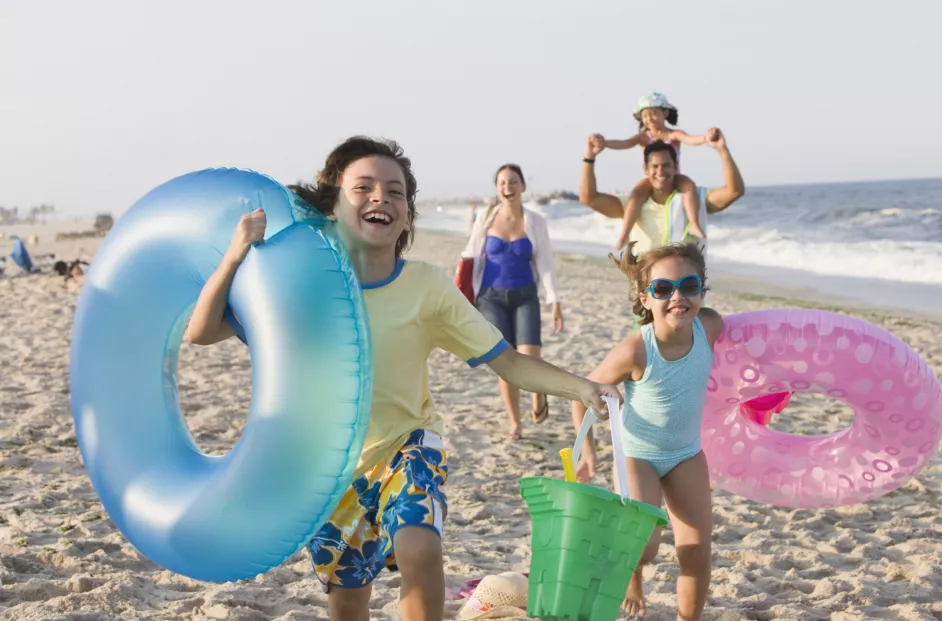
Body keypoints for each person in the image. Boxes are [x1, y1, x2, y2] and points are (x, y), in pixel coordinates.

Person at [184, 136, 622, 621]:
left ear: (408, 216)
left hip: (408, 445)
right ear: (331, 207)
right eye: (364, 188)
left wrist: (581, 386)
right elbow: (201, 331)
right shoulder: (303, 287)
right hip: (330, 470)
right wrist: (235, 255)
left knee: (419, 548)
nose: (381, 199)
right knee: (349, 599)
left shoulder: (427, 287)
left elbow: (508, 361)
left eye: (395, 192)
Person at [572, 241, 722, 620]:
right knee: (645, 547)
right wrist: (588, 451)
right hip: (638, 456)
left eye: (689, 286)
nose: (677, 297)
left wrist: (764, 399)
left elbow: (752, 350)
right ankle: (633, 577)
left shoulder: (710, 326)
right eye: (662, 289)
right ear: (646, 297)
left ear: (702, 290)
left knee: (697, 550)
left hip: (686, 453)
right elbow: (581, 393)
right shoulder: (637, 350)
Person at [461, 164, 563, 440]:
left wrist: (554, 300)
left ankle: (539, 390)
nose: (508, 187)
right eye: (503, 183)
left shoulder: (535, 221)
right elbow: (469, 255)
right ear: (497, 188)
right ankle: (515, 423)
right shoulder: (485, 218)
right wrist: (460, 296)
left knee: (530, 357)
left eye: (513, 182)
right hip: (490, 298)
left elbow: (545, 263)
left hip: (525, 296)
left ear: (523, 187)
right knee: (506, 362)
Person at [579, 127, 744, 256]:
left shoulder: (693, 199)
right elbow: (589, 198)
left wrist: (722, 150)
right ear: (645, 168)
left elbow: (734, 191)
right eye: (655, 166)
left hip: (685, 294)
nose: (660, 172)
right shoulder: (633, 205)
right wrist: (589, 157)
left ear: (675, 166)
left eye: (666, 165)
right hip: (648, 294)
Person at [600, 93, 711, 248]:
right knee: (637, 194)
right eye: (645, 116)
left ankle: (693, 223)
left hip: (673, 177)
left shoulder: (674, 134)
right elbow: (624, 143)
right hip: (651, 179)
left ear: (665, 113)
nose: (649, 119)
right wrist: (604, 143)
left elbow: (691, 139)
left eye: (653, 114)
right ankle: (624, 235)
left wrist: (706, 138)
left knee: (689, 186)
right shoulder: (643, 137)